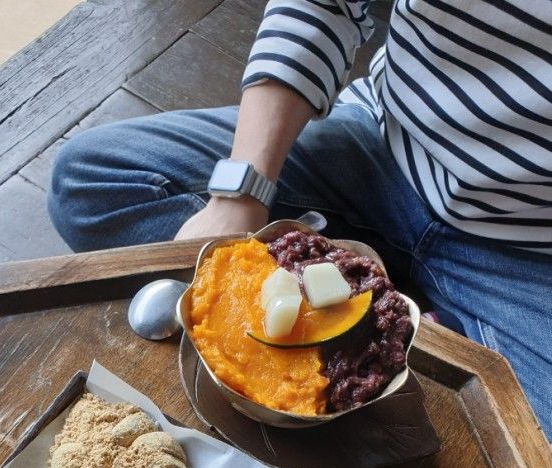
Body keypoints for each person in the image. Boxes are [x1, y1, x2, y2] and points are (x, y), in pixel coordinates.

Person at [48, 1, 551, 438]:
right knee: (89, 181)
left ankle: (402, 314)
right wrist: (242, 190)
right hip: (380, 143)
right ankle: (421, 321)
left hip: (524, 251)